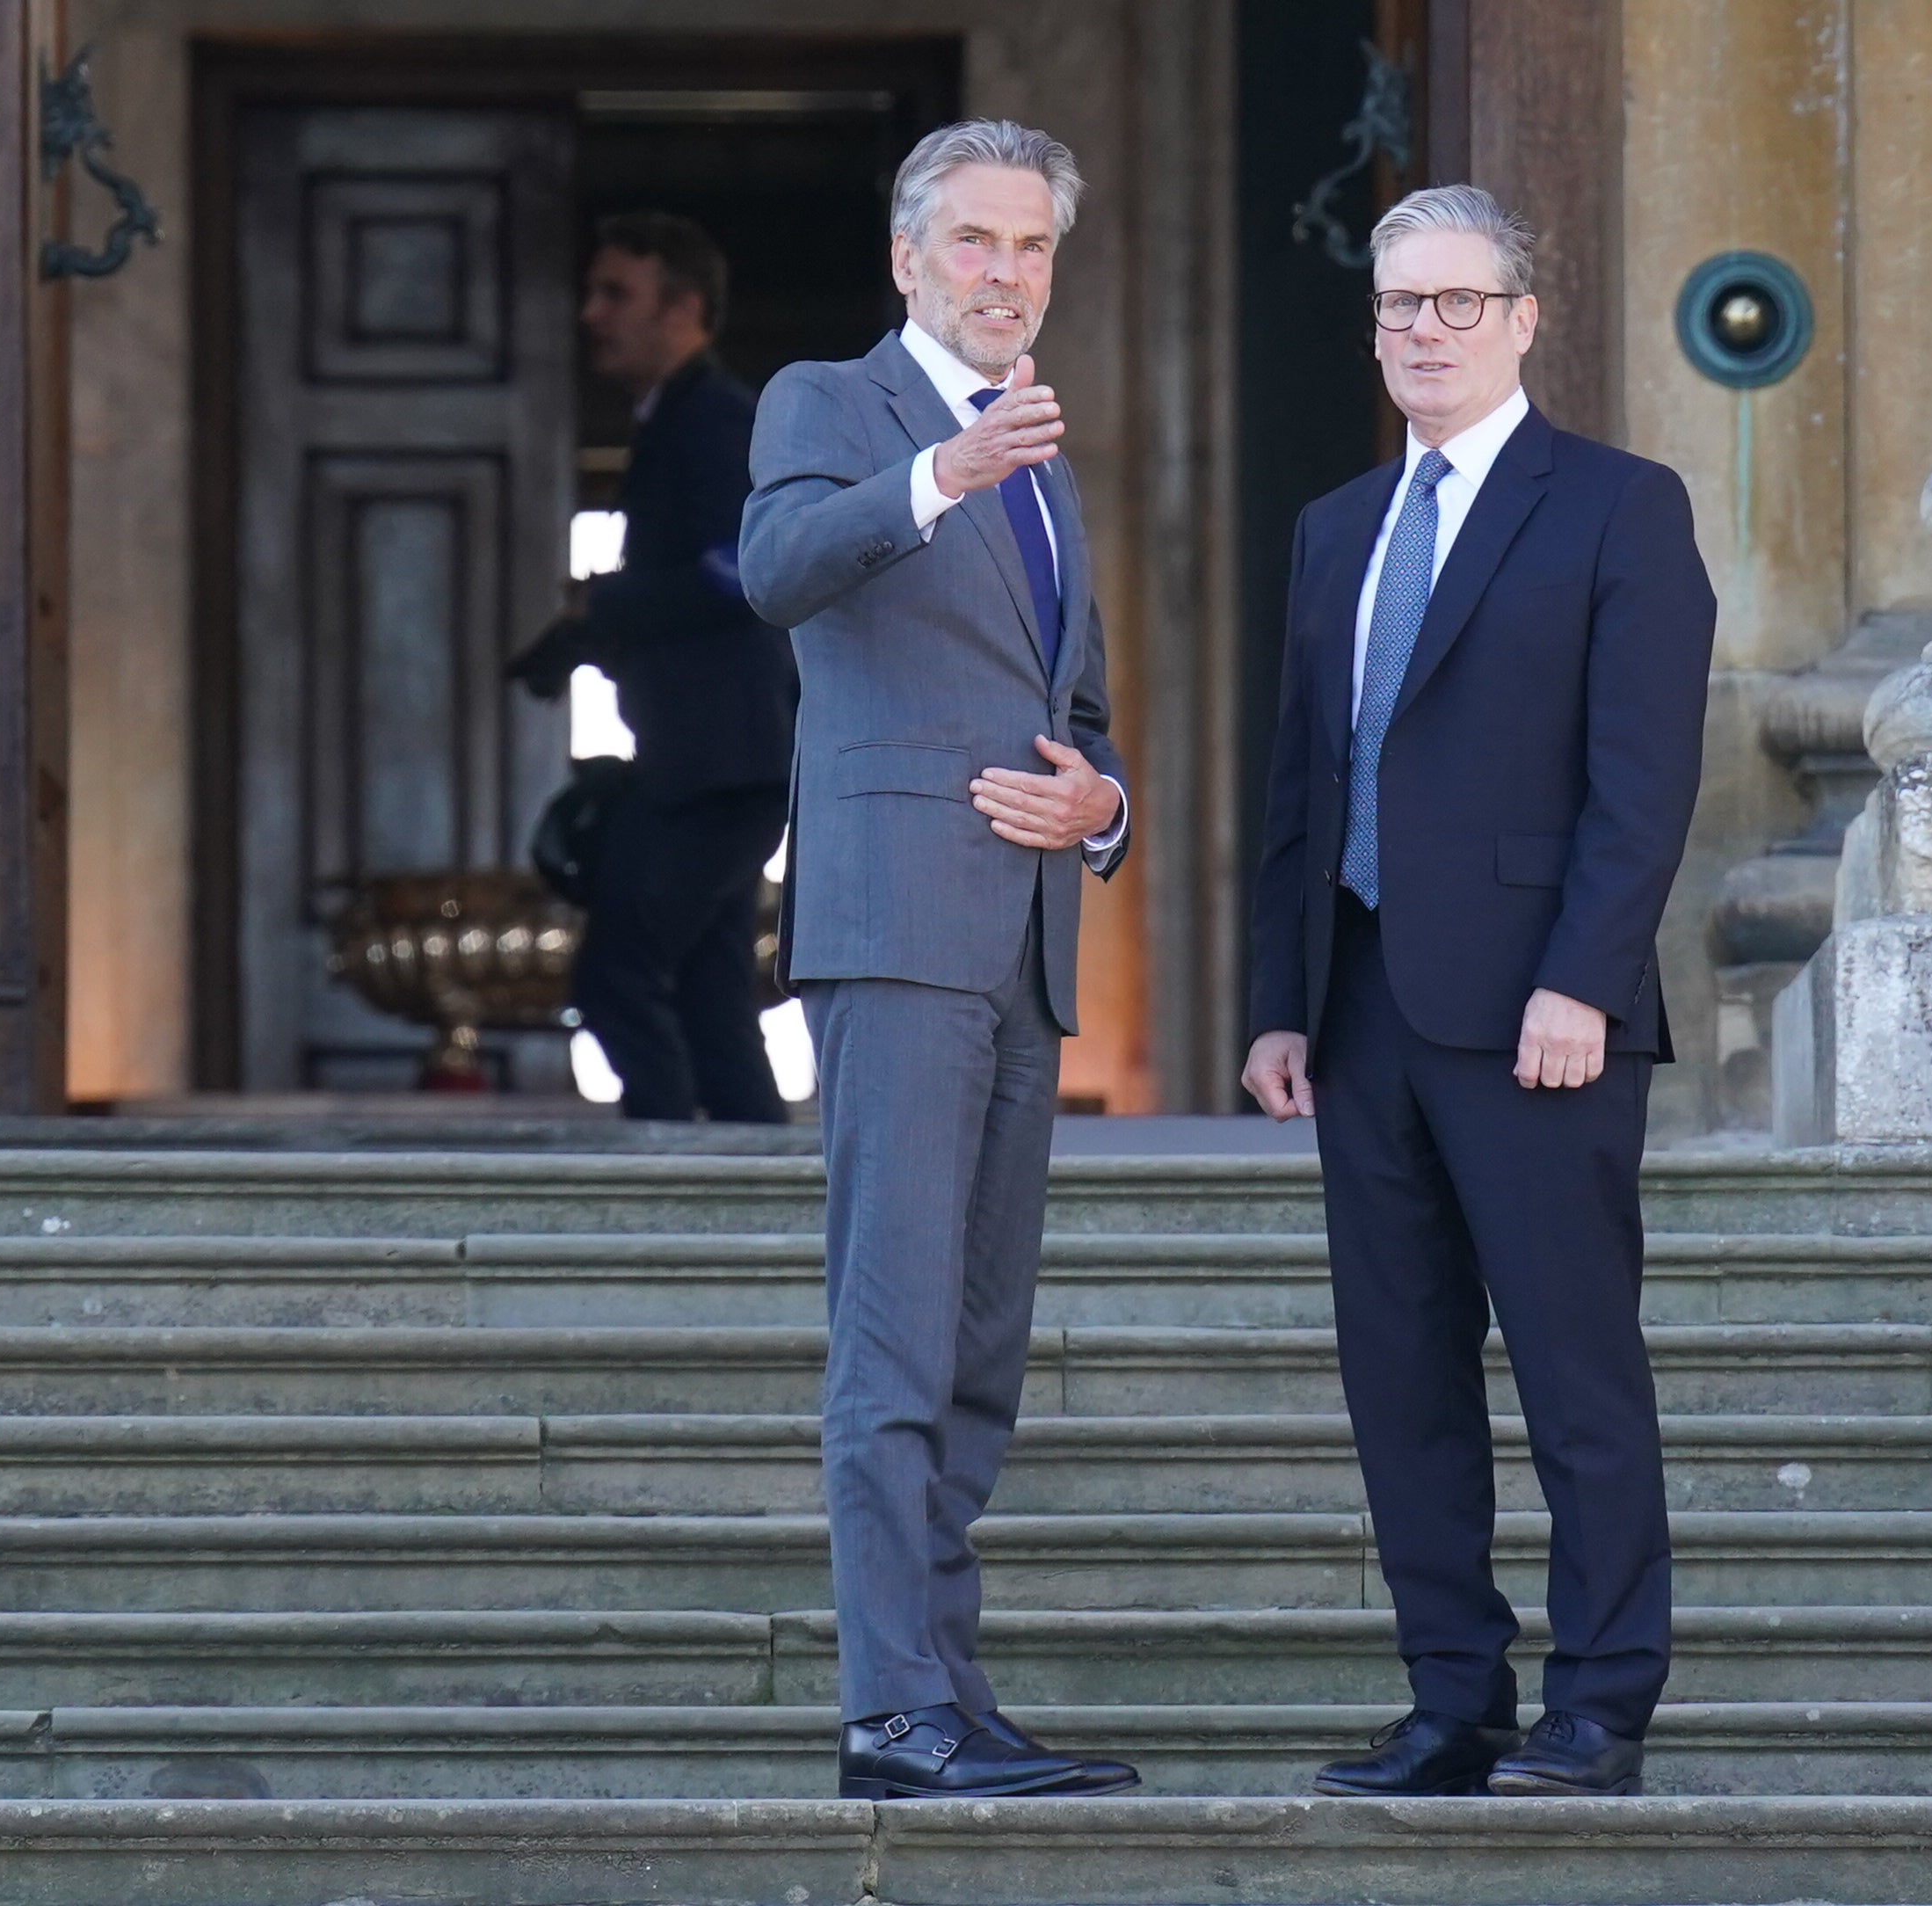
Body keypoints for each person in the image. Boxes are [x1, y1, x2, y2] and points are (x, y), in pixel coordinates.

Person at [1242, 184, 1717, 1799]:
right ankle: (1452, 1694)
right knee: (1400, 1375)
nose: (1423, 334)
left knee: (1575, 1368)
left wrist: (1581, 977)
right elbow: (1300, 785)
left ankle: (1601, 1703)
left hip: (1538, 1014)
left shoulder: (1616, 506)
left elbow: (1640, 780)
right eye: (1398, 309)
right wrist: (1274, 1000)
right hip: (1360, 1005)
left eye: (1456, 304)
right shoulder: (1332, 526)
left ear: (1522, 319)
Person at [737, 120, 1136, 1801]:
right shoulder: (832, 405)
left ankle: (950, 1694)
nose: (1003, 274)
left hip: (1026, 944)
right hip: (896, 930)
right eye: (972, 243)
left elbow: (1081, 714)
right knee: (891, 1342)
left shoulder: (1042, 456)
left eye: (1030, 248)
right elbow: (773, 571)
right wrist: (941, 475)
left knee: (976, 1352)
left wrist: (1103, 809)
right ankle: (887, 1713)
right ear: (908, 260)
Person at [512, 213, 798, 1123]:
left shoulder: (713, 419)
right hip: (717, 762)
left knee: (617, 980)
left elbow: (743, 562)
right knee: (710, 998)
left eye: (616, 294)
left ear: (683, 309)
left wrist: (608, 606)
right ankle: (756, 1214)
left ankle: (665, 1201)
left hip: (714, 768)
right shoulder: (680, 417)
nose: (591, 314)